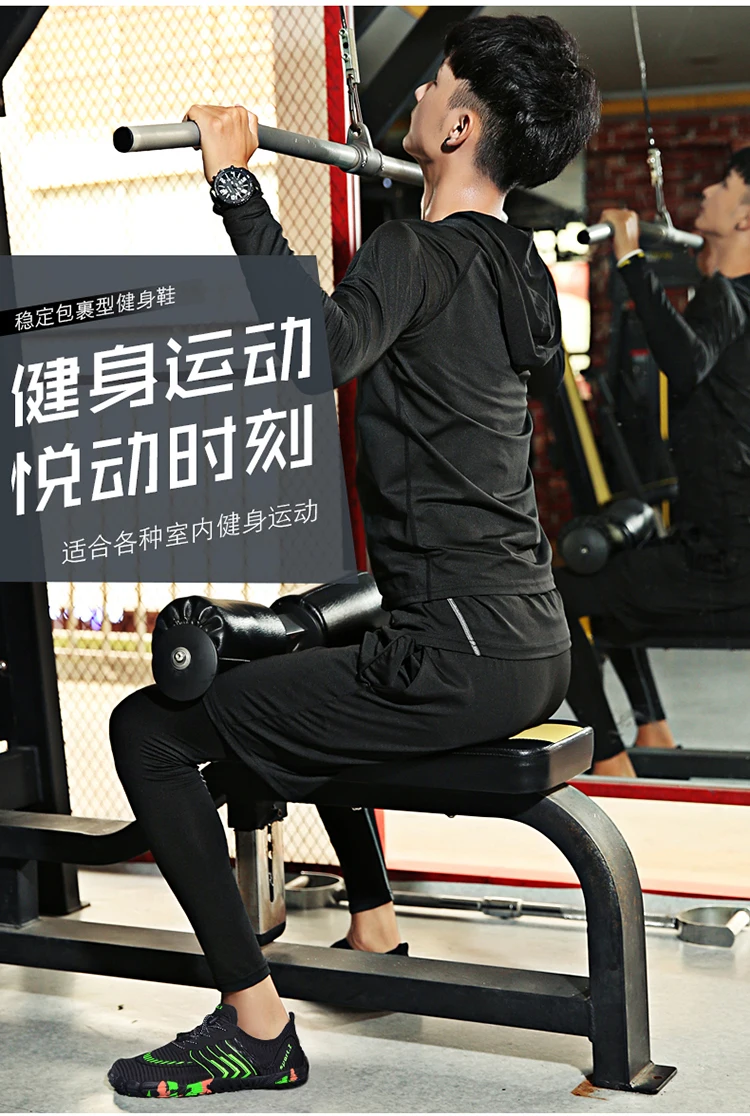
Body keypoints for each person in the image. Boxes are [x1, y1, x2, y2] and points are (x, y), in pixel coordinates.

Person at [106, 14, 600, 1099]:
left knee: (148, 729)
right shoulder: (515, 263)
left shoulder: (415, 252)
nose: (416, 93)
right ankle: (372, 923)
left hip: (453, 656)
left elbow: (312, 353)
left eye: (435, 83)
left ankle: (257, 1028)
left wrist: (235, 184)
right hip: (531, 643)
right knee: (309, 654)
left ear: (459, 127)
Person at [555, 147, 750, 778]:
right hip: (722, 549)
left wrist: (631, 258)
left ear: (745, 216)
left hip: (726, 564)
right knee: (614, 580)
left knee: (556, 594)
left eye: (723, 184)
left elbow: (685, 363)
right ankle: (652, 730)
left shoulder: (728, 298)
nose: (707, 192)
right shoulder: (731, 298)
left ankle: (611, 759)